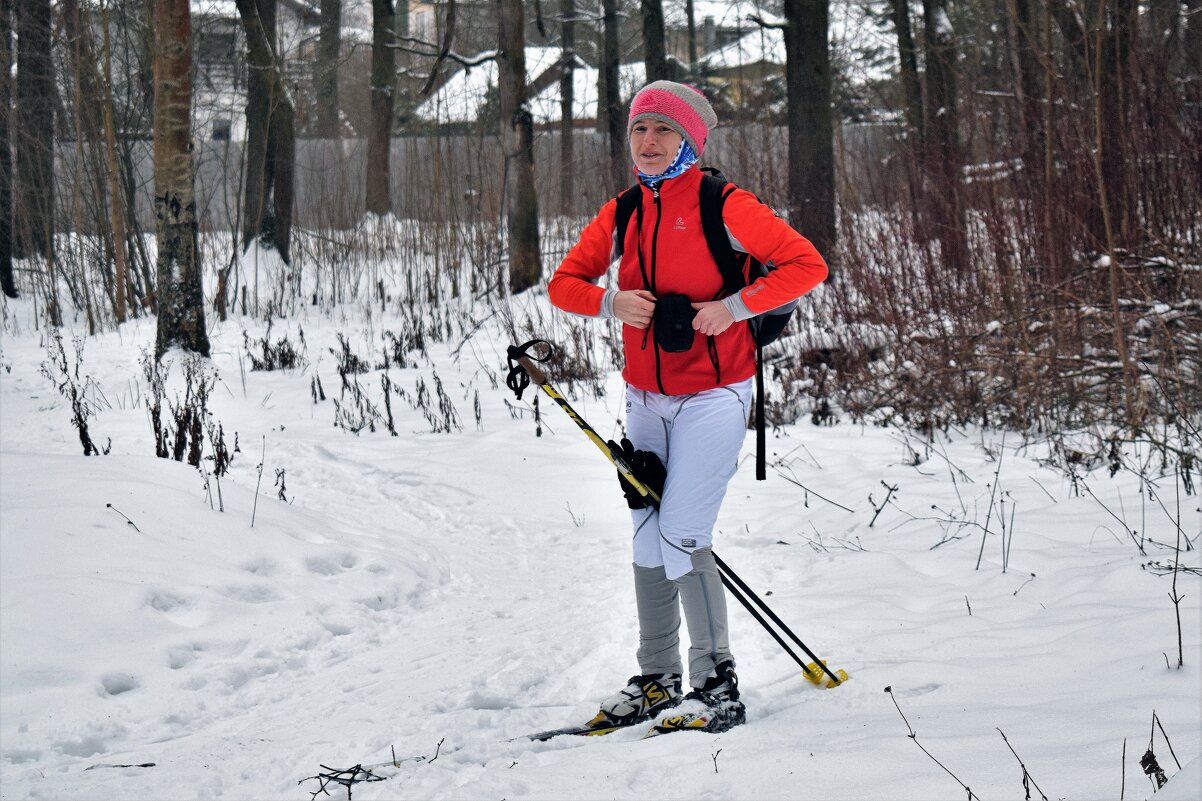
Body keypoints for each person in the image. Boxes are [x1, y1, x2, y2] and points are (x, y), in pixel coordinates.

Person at [547, 80, 829, 732]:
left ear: (690, 140)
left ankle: (716, 683)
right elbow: (565, 282)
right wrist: (607, 301)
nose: (647, 143)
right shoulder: (624, 210)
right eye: (639, 130)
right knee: (648, 532)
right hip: (646, 398)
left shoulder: (721, 203)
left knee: (682, 532)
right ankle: (656, 679)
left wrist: (731, 308)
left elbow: (805, 264)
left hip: (713, 396)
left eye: (663, 130)